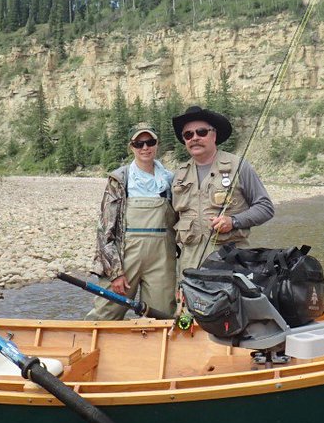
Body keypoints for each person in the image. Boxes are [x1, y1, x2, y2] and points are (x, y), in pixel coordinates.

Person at [170, 105, 274, 284]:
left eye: (201, 132)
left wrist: (233, 221)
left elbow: (265, 207)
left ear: (214, 135)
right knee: (190, 312)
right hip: (190, 266)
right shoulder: (178, 175)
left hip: (231, 262)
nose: (195, 138)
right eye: (188, 134)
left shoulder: (239, 166)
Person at [86, 122, 177, 320]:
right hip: (125, 259)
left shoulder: (171, 180)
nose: (145, 147)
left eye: (150, 142)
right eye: (139, 143)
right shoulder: (119, 179)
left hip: (162, 259)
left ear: (157, 144)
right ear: (131, 147)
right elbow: (105, 231)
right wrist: (115, 271)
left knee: (161, 318)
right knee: (105, 314)